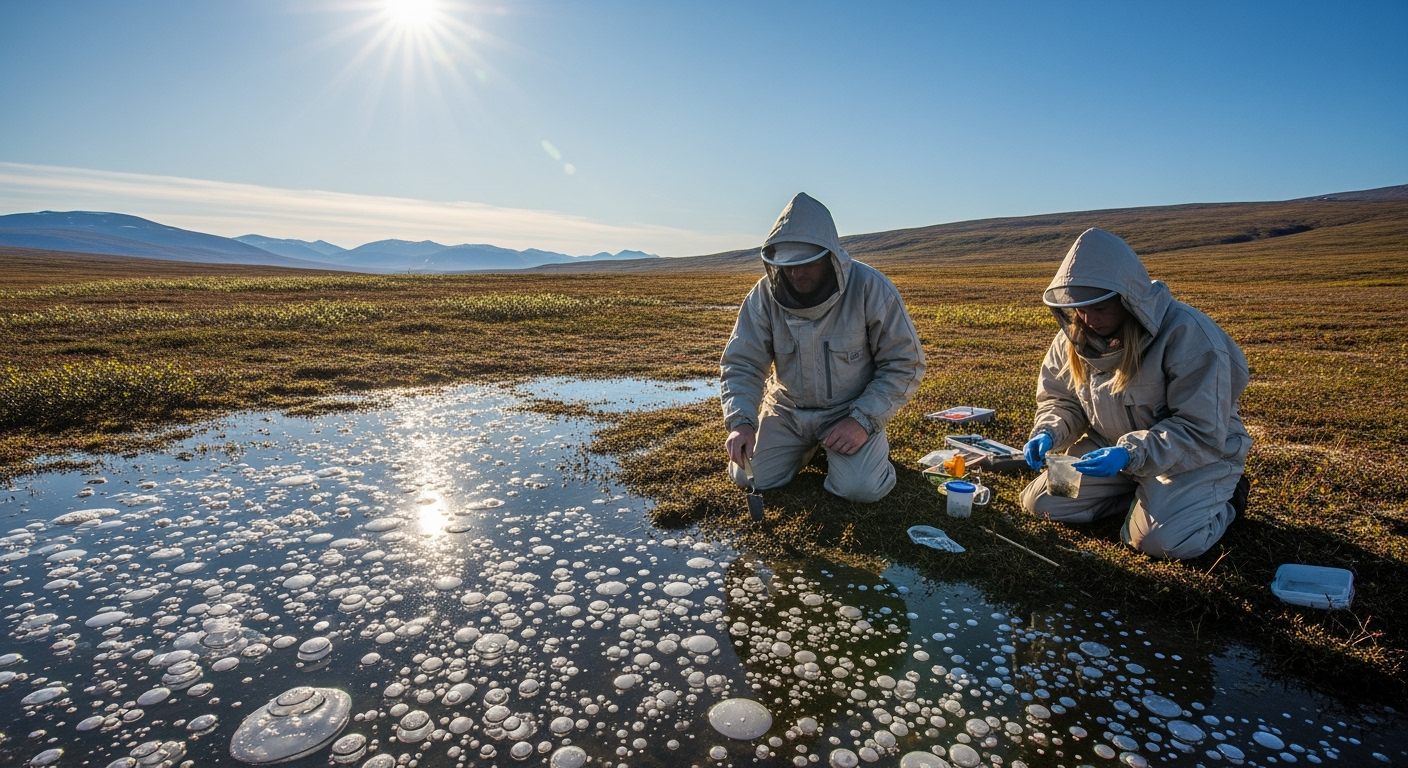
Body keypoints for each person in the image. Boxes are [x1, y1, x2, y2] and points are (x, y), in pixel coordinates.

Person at [1020, 228, 1252, 559]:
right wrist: (1048, 432)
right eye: (1080, 309)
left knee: (1163, 543)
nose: (1089, 319)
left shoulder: (1188, 335)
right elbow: (1061, 400)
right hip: (1109, 452)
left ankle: (1229, 497)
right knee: (1042, 502)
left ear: (1127, 299)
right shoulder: (1074, 336)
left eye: (1100, 307)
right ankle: (1140, 493)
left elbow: (1199, 429)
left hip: (1188, 459)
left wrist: (1129, 454)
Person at [720, 192, 926, 503]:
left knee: (861, 489)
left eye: (806, 263)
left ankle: (860, 452)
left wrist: (862, 421)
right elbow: (742, 363)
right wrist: (741, 423)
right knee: (748, 475)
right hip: (787, 411)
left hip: (849, 410)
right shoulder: (763, 296)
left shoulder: (871, 288)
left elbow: (905, 362)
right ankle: (809, 448)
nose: (795, 273)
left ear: (829, 257)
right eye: (787, 265)